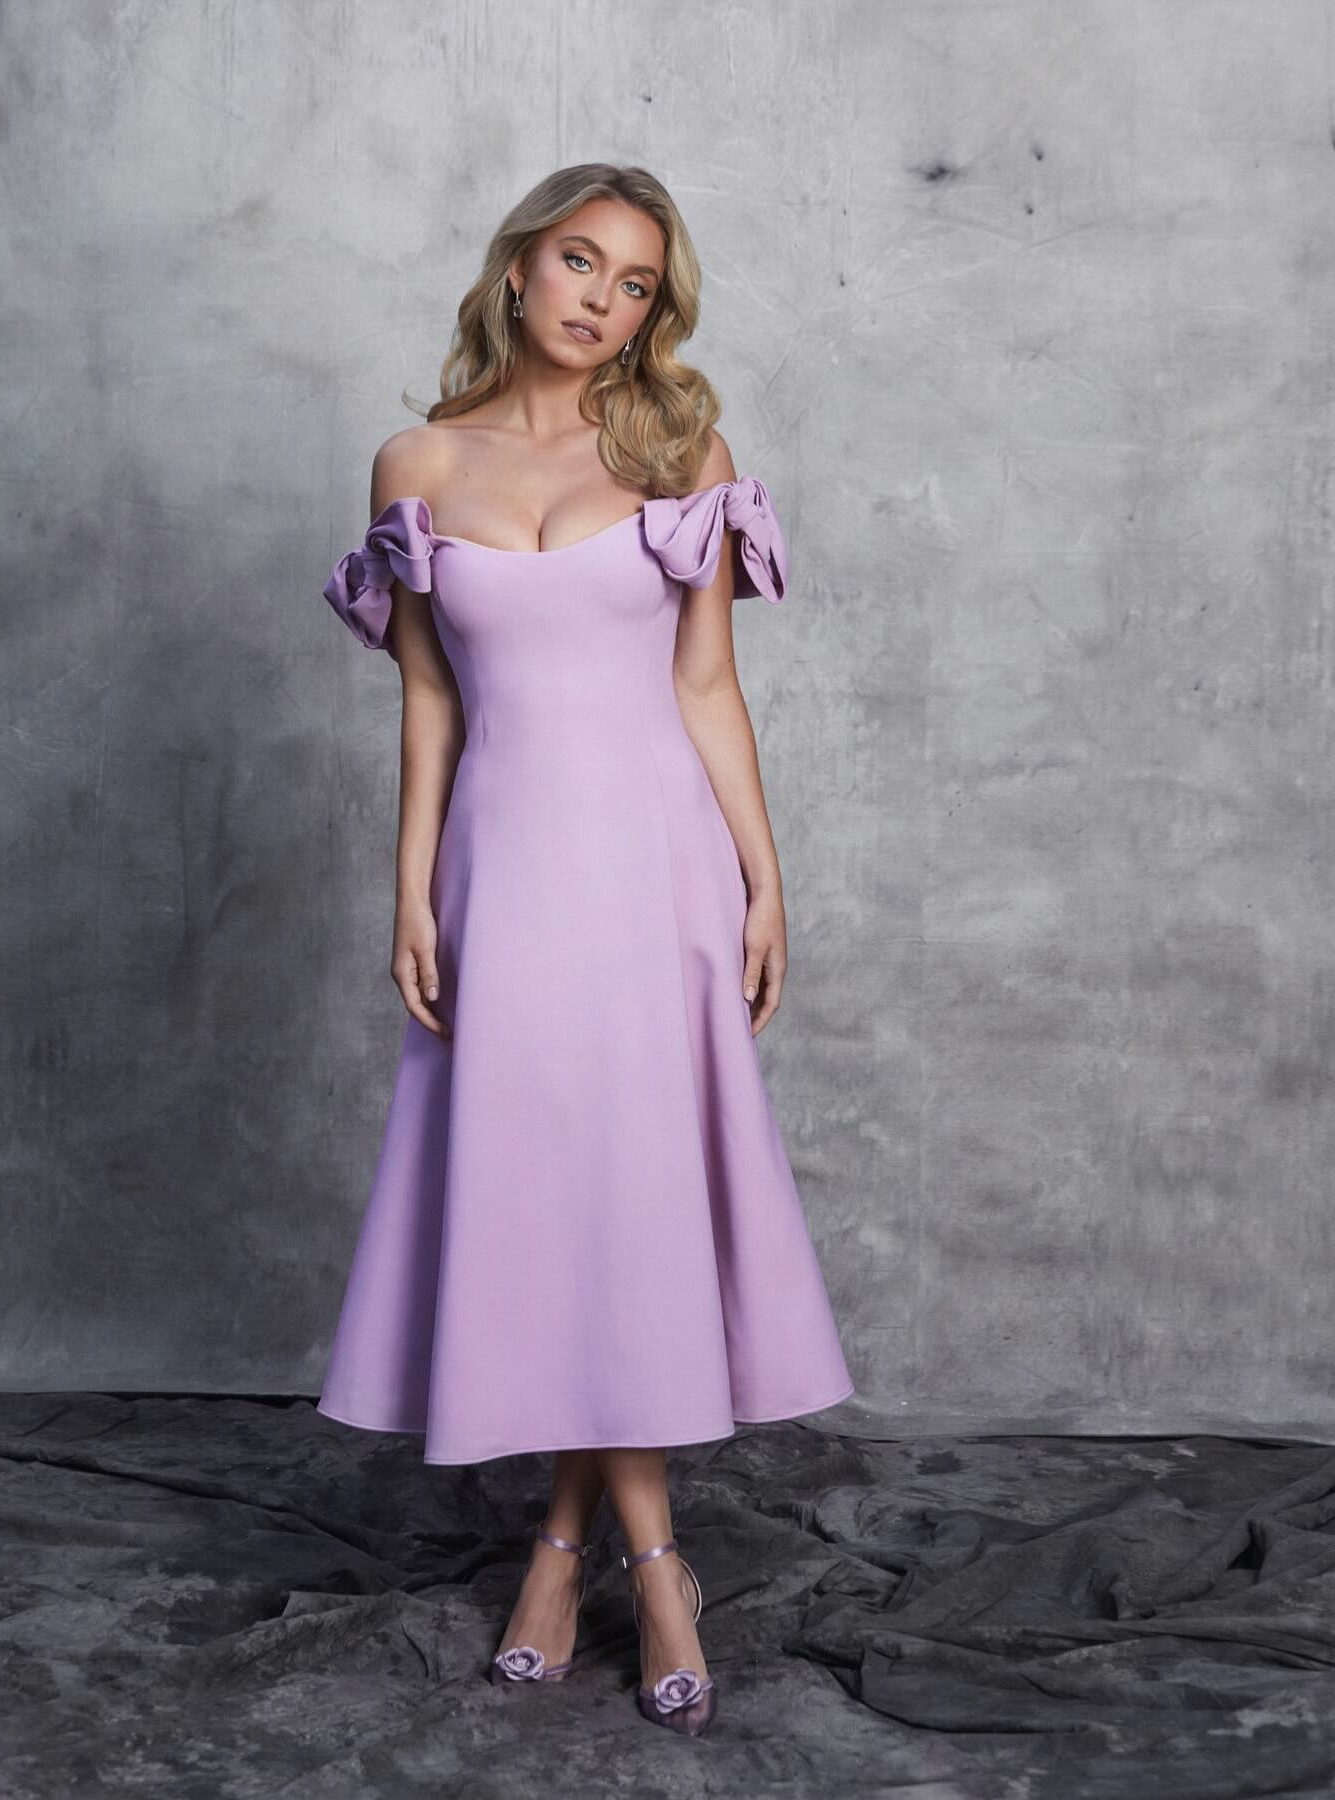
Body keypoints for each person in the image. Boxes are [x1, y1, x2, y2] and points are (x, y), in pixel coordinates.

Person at [315, 162, 853, 1738]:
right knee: (553, 1206)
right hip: (504, 872)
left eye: (634, 285)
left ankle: (608, 1558)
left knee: (627, 1204)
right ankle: (618, 1552)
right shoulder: (416, 463)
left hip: (654, 870)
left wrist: (764, 880)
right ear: (517, 266)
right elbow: (430, 698)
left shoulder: (681, 453)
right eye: (579, 262)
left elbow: (705, 685)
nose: (601, 302)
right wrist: (410, 891)